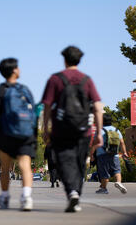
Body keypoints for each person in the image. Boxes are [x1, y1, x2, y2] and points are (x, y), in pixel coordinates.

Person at [42, 46, 103, 213]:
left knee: (64, 162)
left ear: (64, 59)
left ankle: (72, 192)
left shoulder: (55, 79)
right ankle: (76, 192)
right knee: (79, 162)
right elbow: (97, 107)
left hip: (61, 129)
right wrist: (98, 132)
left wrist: (45, 127)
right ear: (79, 60)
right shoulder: (87, 80)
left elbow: (46, 105)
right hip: (83, 130)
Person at [0, 58, 37, 211]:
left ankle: (4, 196)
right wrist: (34, 135)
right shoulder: (25, 90)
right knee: (25, 165)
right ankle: (26, 197)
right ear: (15, 70)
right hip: (25, 133)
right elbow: (34, 113)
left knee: (5, 167)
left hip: (6, 133)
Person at [91, 113, 128, 194]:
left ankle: (104, 189)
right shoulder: (116, 130)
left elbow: (94, 144)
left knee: (104, 173)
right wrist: (124, 152)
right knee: (117, 171)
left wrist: (91, 155)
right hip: (115, 155)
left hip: (102, 155)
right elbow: (122, 143)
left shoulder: (100, 131)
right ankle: (118, 182)